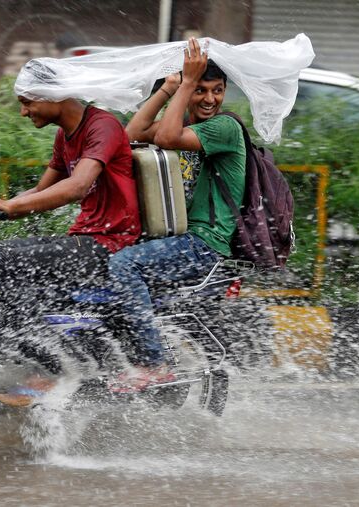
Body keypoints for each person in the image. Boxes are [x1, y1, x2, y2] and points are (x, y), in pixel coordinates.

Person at [107, 37, 246, 392]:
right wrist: (170, 87)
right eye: (201, 90)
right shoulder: (189, 127)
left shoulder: (224, 129)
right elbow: (132, 134)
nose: (210, 99)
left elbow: (166, 138)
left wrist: (186, 83)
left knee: (125, 265)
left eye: (217, 90)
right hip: (181, 239)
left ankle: (154, 364)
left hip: (205, 243)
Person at [0, 60, 141, 311]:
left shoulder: (103, 126)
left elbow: (77, 185)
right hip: (86, 237)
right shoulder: (63, 136)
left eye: (27, 102)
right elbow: (39, 192)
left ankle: (31, 341)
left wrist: (9, 206)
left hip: (112, 243)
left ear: (53, 95)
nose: (24, 112)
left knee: (8, 259)